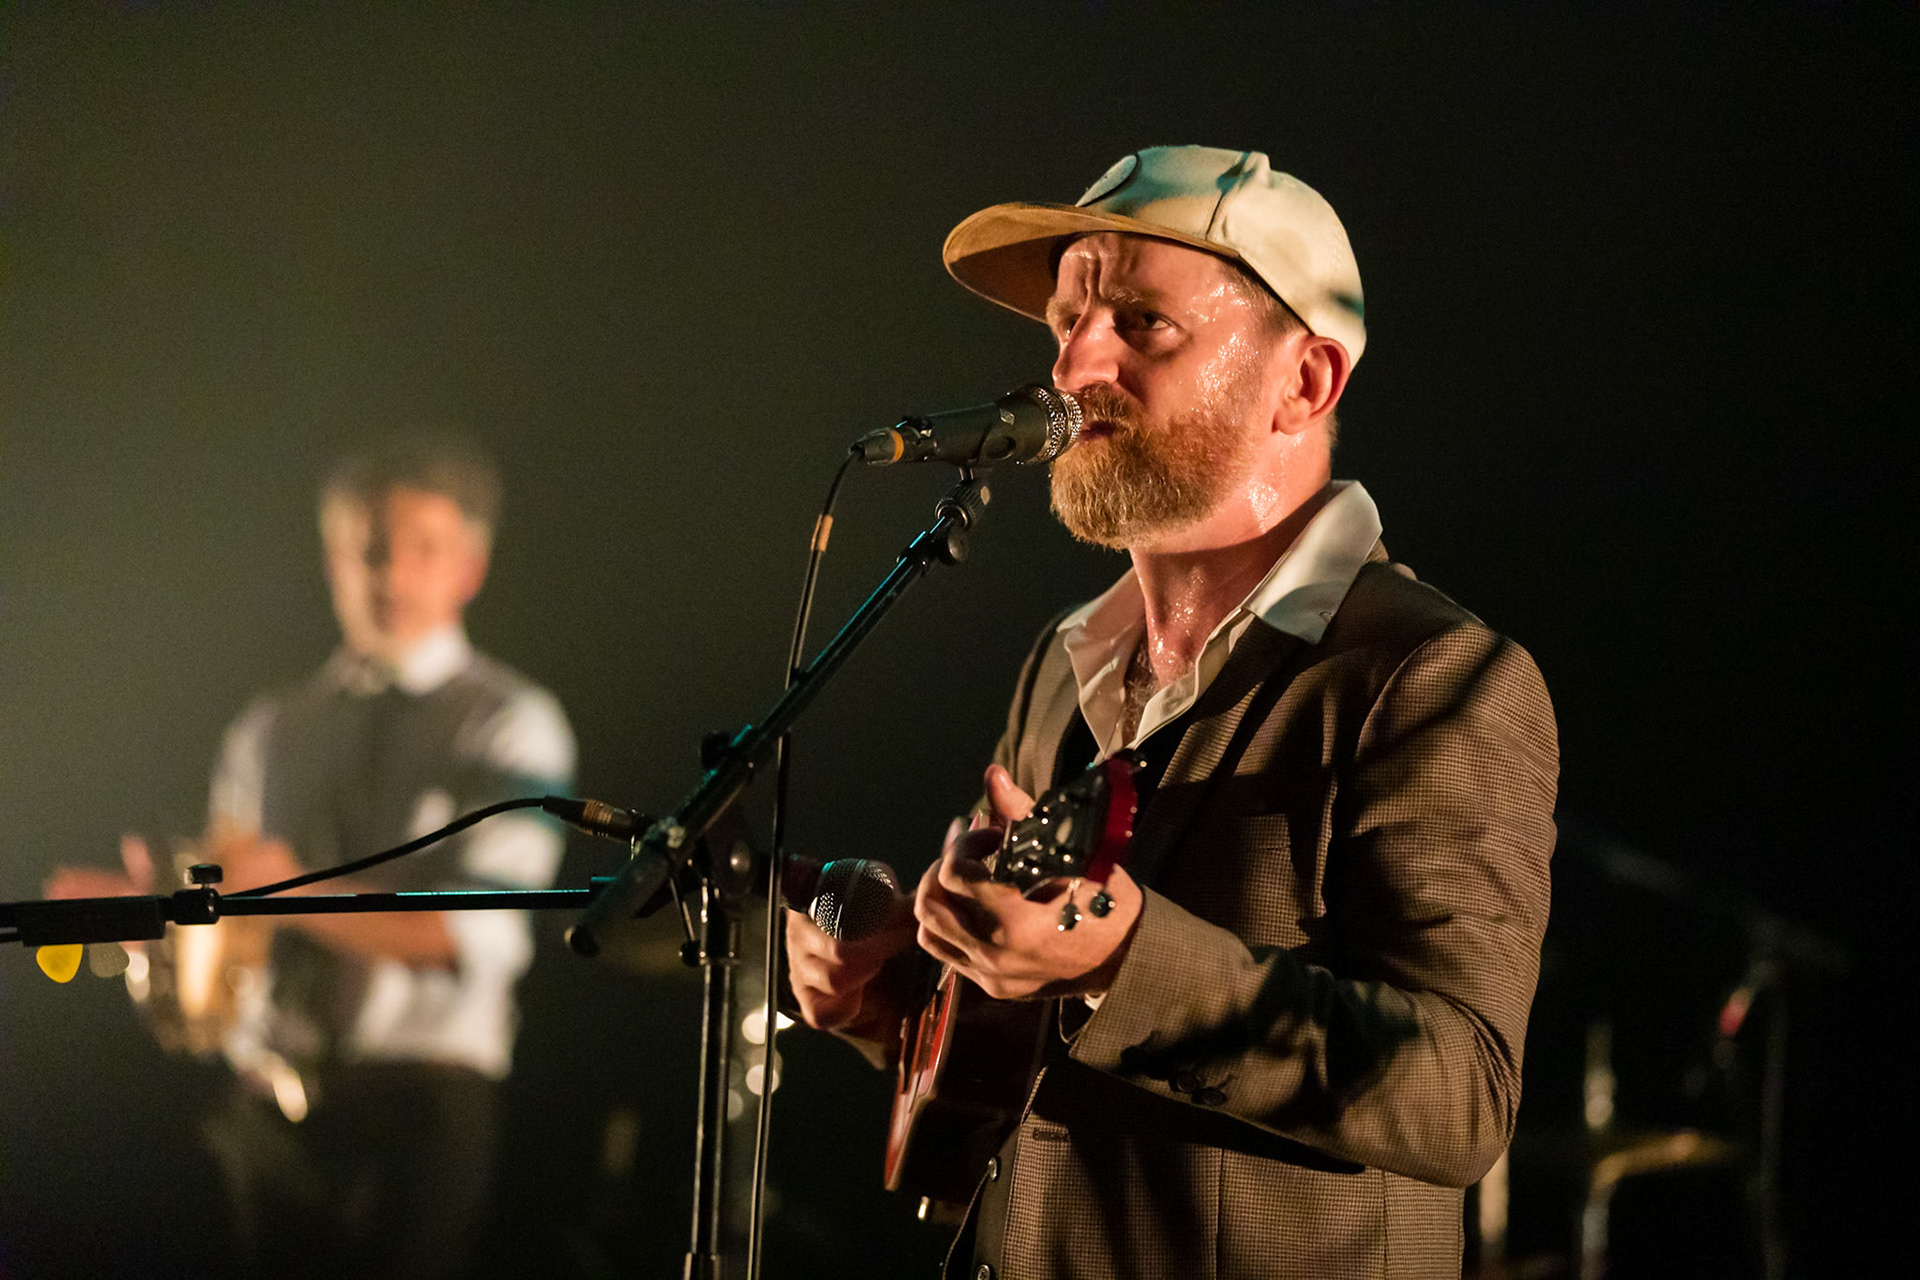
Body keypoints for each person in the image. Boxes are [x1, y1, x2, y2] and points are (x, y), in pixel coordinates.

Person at [785, 146, 1559, 1279]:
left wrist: (1122, 956)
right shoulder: (1063, 661)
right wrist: (897, 1003)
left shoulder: (1429, 673)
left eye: (1141, 323)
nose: (1073, 361)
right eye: (1067, 319)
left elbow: (1461, 1094)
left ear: (1304, 381)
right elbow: (1018, 1068)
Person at [47, 435, 575, 1278]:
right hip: (272, 1109)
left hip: (417, 1113)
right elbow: (236, 923)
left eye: (424, 550)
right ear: (332, 556)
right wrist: (159, 917)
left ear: (470, 569)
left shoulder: (508, 724)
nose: (390, 575)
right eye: (368, 548)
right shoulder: (273, 728)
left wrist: (284, 894)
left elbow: (470, 937)